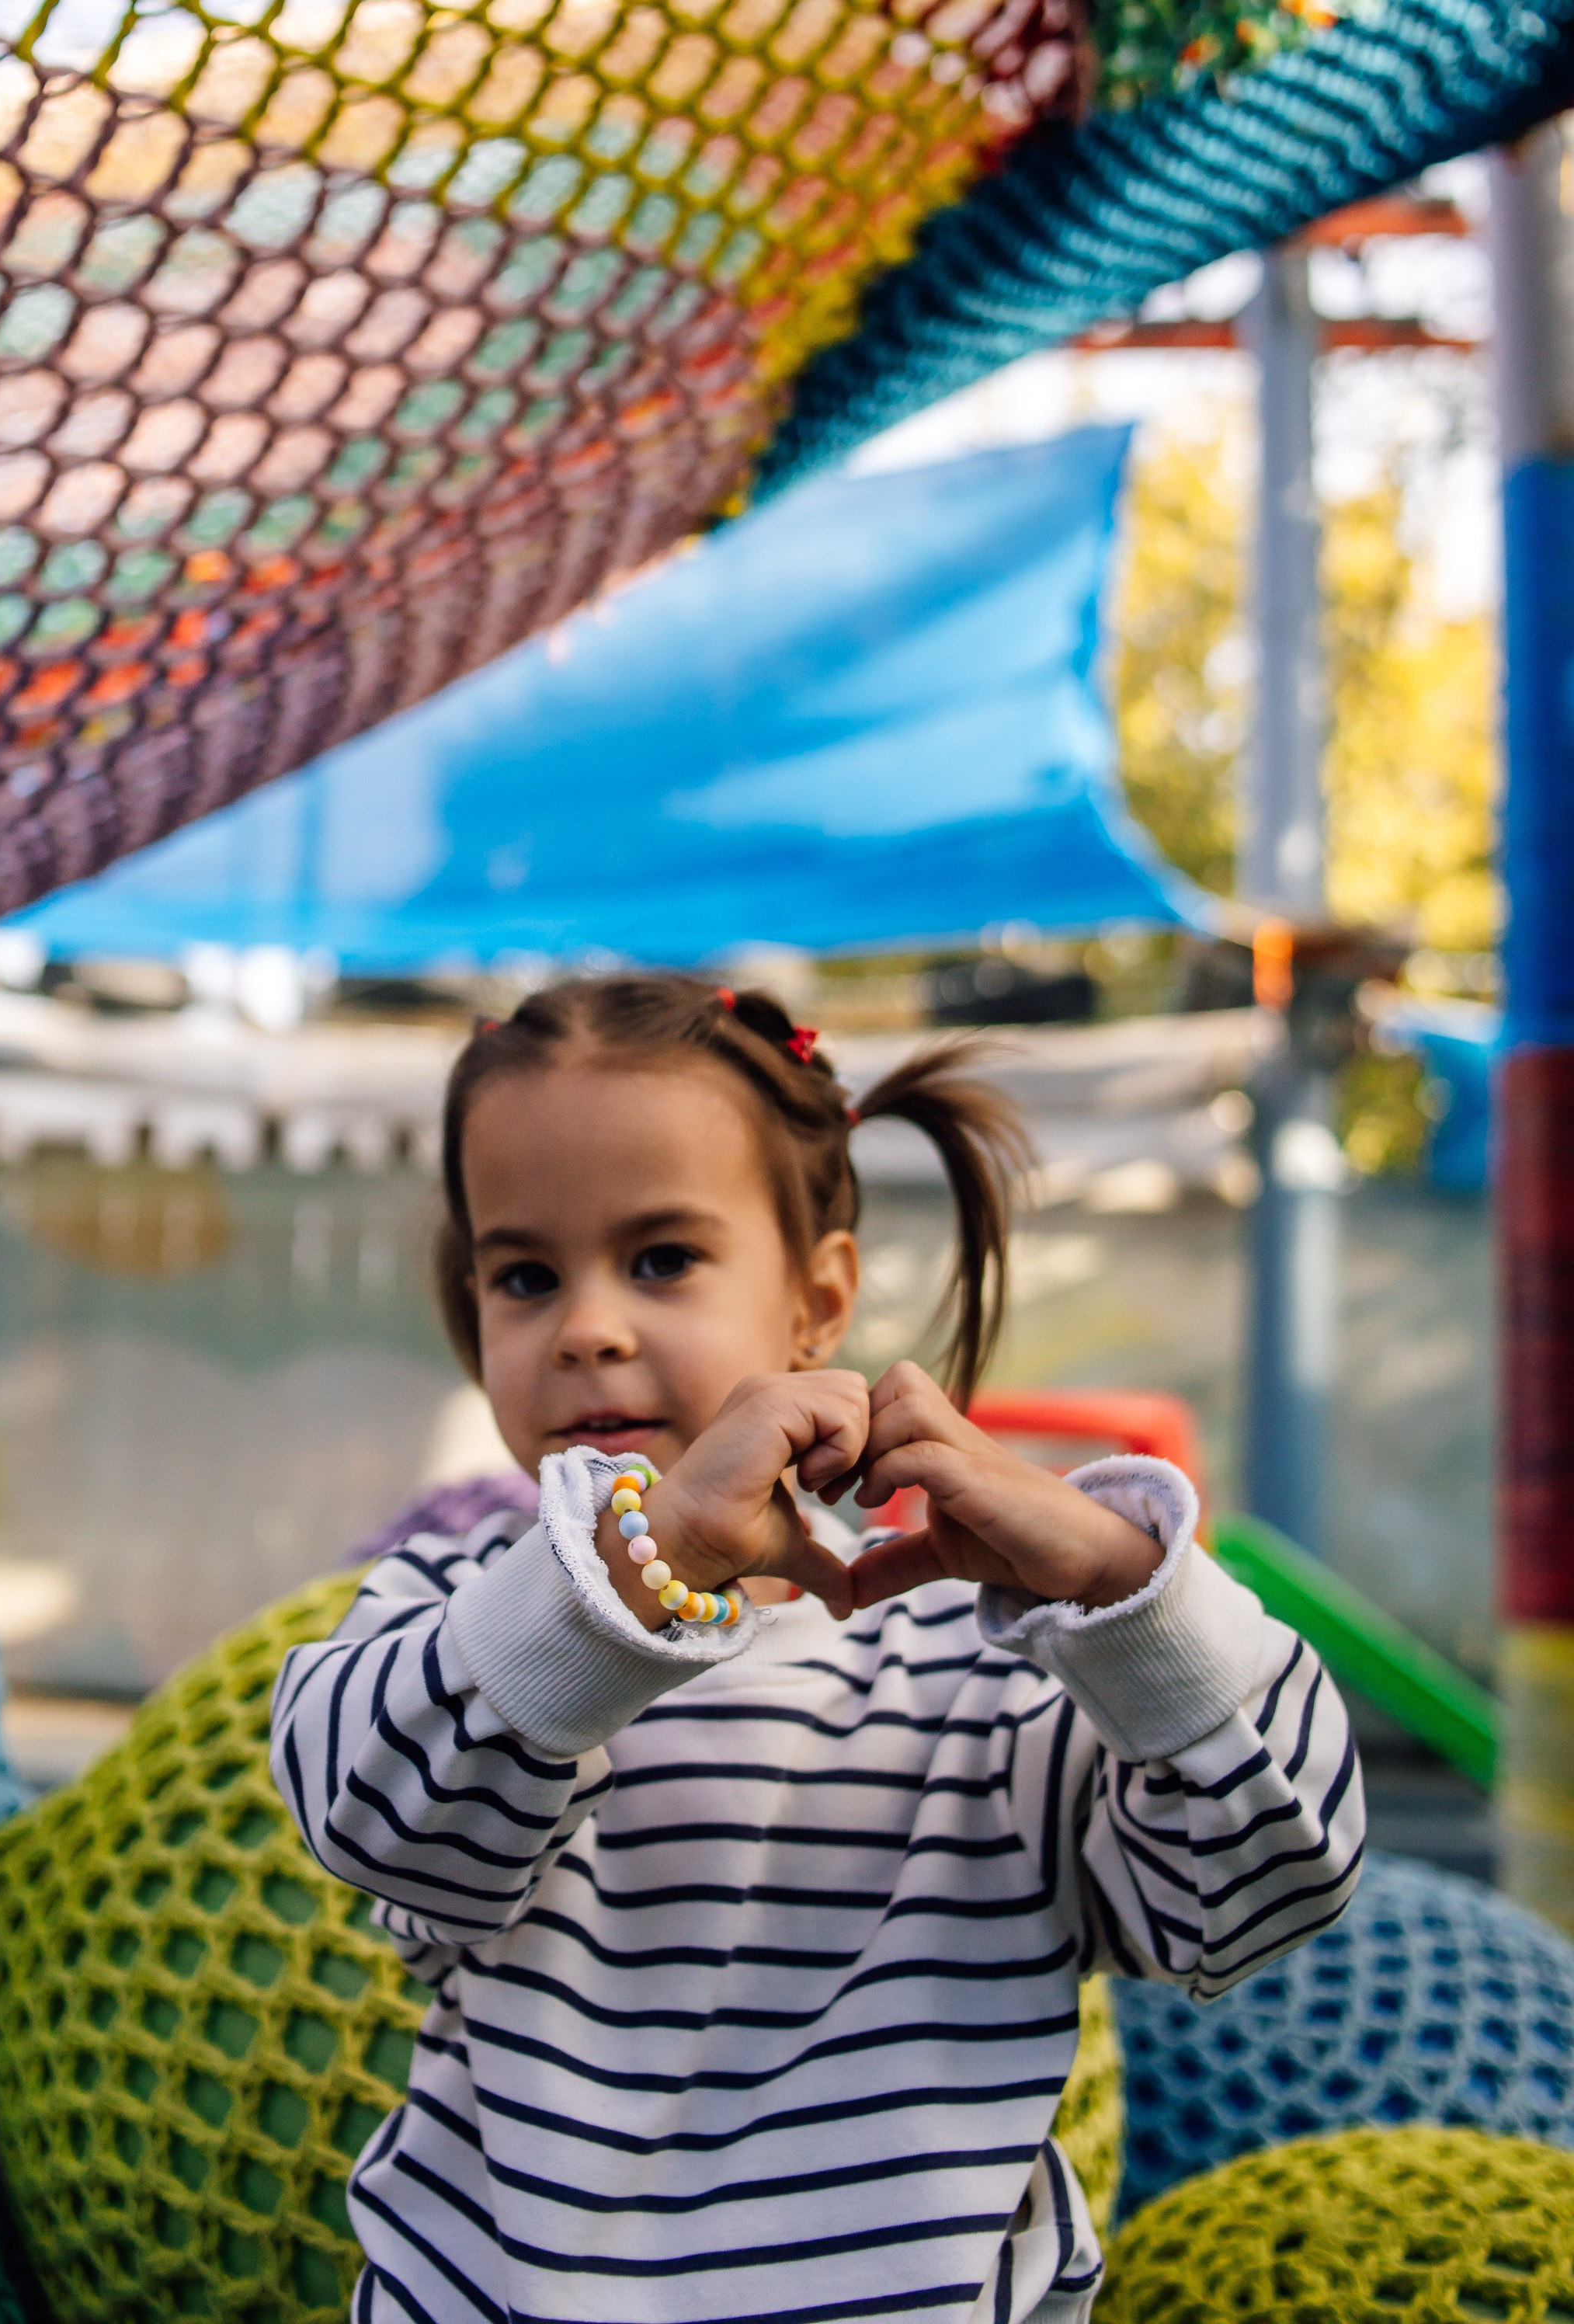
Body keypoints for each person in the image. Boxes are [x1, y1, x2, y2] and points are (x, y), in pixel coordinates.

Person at [271, 974, 1362, 2324]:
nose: (588, 1326)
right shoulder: (476, 1632)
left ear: (817, 1298)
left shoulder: (998, 1677)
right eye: (524, 1274)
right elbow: (374, 1818)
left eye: (663, 1258)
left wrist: (1119, 1580)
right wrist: (642, 1569)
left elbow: (1265, 1883)